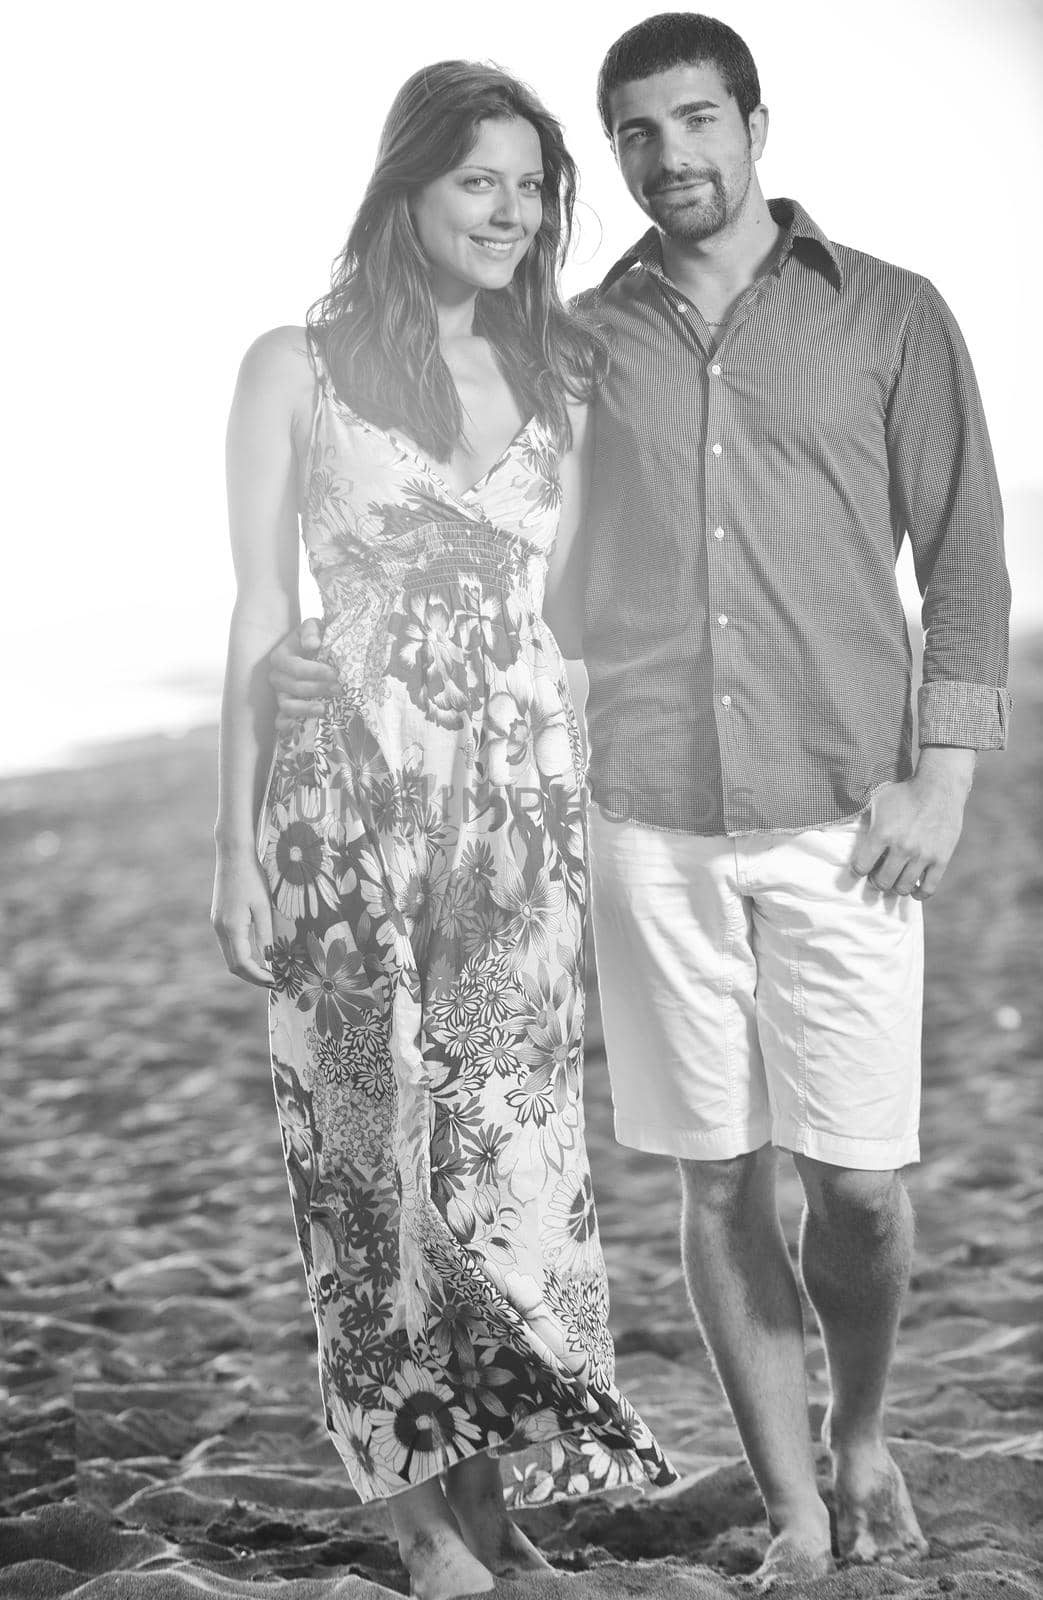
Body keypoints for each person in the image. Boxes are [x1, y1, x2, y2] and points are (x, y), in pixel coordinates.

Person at [270, 13, 1012, 1590]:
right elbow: (474, 505)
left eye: (698, 122)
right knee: (718, 1174)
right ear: (613, 159)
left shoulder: (889, 315)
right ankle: (798, 1506)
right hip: (639, 809)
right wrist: (328, 652)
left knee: (863, 1193)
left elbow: (962, 561)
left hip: (845, 810)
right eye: (638, 138)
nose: (674, 158)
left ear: (754, 121)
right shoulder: (581, 341)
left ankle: (862, 1430)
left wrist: (942, 778)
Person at [211, 58, 679, 1600]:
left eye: (534, 186)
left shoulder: (568, 374)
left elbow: (602, 594)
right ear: (405, 187)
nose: (511, 210)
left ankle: (491, 1506)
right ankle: (420, 1521)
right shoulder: (294, 366)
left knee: (498, 1154)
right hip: (347, 801)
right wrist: (233, 851)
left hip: (522, 812)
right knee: (364, 1152)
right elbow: (261, 611)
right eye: (480, 178)